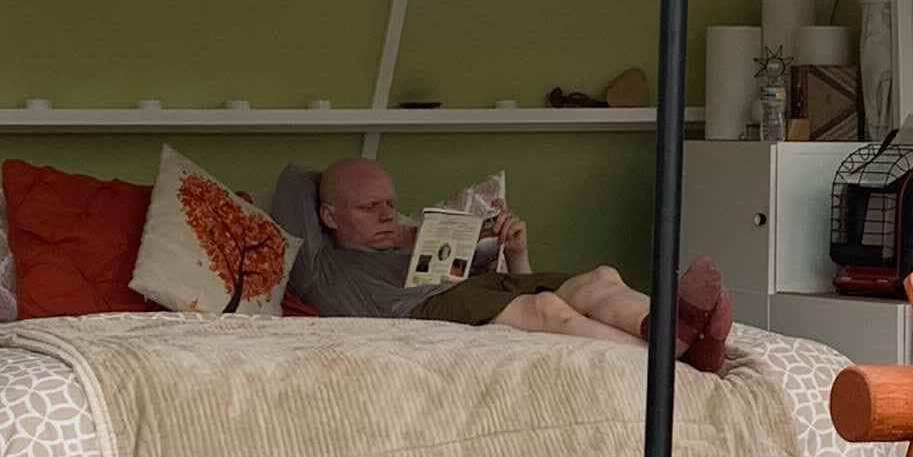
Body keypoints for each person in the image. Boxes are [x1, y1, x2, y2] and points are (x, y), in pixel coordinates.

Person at [272, 158, 737, 372]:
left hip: (474, 287)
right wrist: (344, 185)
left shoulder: (412, 241)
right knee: (547, 310)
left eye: (390, 204)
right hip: (418, 308)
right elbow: (292, 181)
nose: (386, 215)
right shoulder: (319, 263)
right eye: (368, 207)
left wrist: (514, 251)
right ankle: (678, 361)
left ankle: (670, 330)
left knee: (601, 277)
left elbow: (513, 286)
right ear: (328, 216)